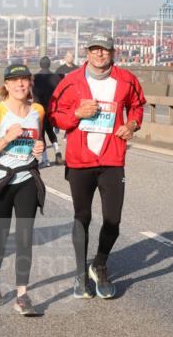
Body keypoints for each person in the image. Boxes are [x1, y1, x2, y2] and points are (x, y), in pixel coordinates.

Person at [49, 34, 146, 300]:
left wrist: (133, 125)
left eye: (104, 50)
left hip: (112, 158)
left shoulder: (126, 80)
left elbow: (137, 106)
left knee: (113, 220)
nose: (99, 54)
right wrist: (76, 115)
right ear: (87, 53)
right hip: (80, 160)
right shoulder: (71, 82)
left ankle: (99, 265)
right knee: (83, 217)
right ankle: (80, 274)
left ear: (113, 52)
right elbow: (55, 114)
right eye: (94, 50)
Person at [0, 64, 46, 316]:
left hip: (26, 177)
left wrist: (39, 149)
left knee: (25, 236)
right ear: (6, 85)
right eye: (14, 80)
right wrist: (6, 138)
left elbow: (38, 141)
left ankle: (22, 295)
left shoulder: (37, 110)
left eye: (24, 80)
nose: (20, 85)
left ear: (30, 84)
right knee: (0, 234)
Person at [33, 55, 64, 166]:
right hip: (52, 108)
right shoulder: (56, 77)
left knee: (41, 133)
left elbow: (34, 95)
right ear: (49, 64)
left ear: (40, 65)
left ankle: (45, 160)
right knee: (50, 131)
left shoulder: (35, 77)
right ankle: (58, 151)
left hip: (40, 108)